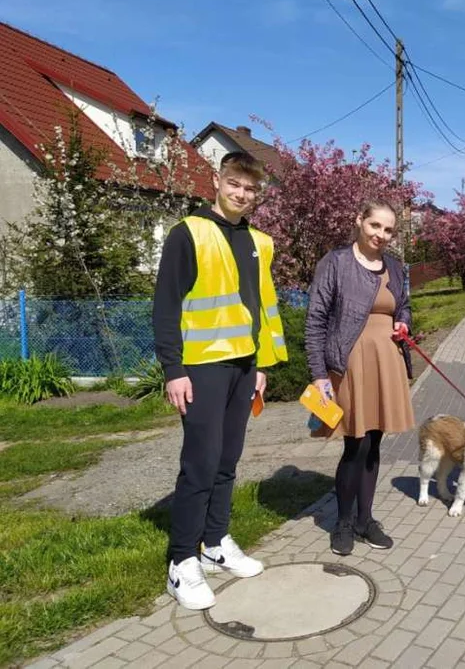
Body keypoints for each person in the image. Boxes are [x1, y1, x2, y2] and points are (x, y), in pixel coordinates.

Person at [153, 151, 287, 610]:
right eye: (235, 184)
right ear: (217, 180)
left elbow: (262, 308)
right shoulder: (188, 233)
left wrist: (263, 367)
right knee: (201, 463)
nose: (241, 194)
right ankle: (180, 563)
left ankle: (214, 544)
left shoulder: (258, 241)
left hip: (245, 366)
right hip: (203, 367)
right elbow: (166, 306)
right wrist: (173, 369)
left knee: (228, 460)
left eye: (250, 189)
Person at [304, 198, 415, 556]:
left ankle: (366, 520)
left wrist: (404, 322)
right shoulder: (336, 262)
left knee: (375, 444)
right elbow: (316, 320)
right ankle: (344, 523)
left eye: (388, 230)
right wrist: (319, 375)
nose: (381, 235)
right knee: (356, 445)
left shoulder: (395, 267)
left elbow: (405, 306)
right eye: (375, 226)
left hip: (387, 362)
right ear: (359, 221)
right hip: (350, 364)